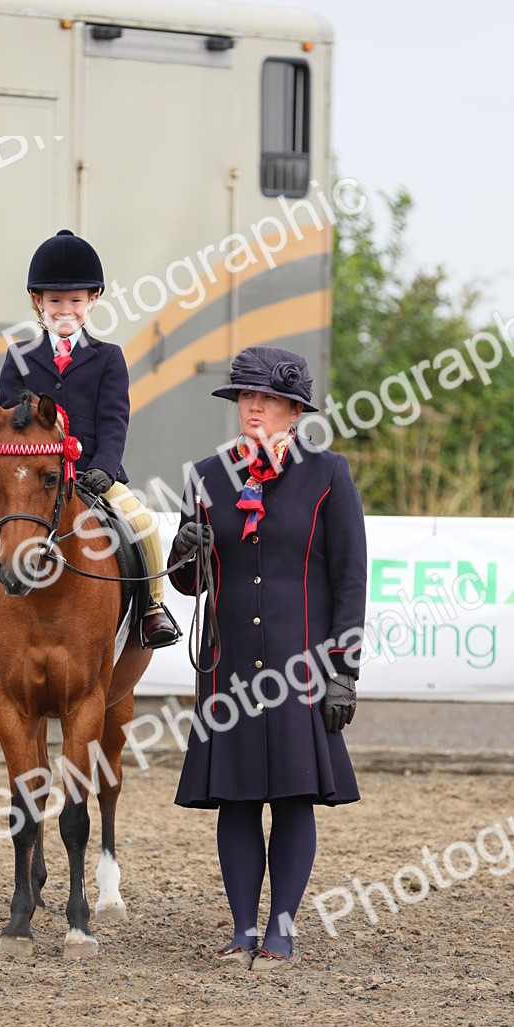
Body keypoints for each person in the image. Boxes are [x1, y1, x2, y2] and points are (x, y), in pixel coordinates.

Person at [168, 345, 367, 970]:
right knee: (235, 797)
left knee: (291, 798)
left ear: (293, 409)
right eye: (245, 397)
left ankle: (281, 932)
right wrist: (182, 550)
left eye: (268, 398)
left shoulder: (327, 474)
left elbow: (351, 579)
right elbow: (187, 584)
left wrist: (344, 672)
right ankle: (242, 929)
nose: (253, 407)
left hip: (301, 667)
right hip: (226, 667)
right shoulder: (205, 475)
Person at [0, 229, 179, 649]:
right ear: (38, 303)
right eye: (55, 301)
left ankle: (152, 608)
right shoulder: (19, 356)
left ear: (92, 301)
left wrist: (105, 469)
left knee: (142, 521)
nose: (66, 309)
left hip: (93, 472)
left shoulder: (109, 357)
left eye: (75, 300)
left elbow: (115, 420)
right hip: (32, 474)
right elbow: (5, 419)